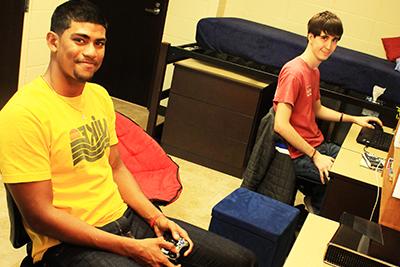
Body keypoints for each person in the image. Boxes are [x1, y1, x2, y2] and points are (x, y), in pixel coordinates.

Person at [0, 1, 257, 266]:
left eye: (99, 43)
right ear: (53, 41)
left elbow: (116, 168)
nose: (91, 52)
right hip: (66, 244)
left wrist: (156, 218)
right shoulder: (22, 114)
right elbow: (39, 216)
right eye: (80, 40)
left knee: (240, 260)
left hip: (124, 218)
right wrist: (131, 248)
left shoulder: (99, 96)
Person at [273, 11, 382, 213]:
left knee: (357, 165)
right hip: (298, 154)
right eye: (324, 38)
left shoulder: (313, 71)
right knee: (345, 182)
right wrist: (316, 155)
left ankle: (315, 204)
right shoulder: (294, 72)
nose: (329, 46)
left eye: (335, 40)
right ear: (310, 36)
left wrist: (354, 119)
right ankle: (317, 212)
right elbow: (280, 125)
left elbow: (317, 109)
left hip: (316, 144)